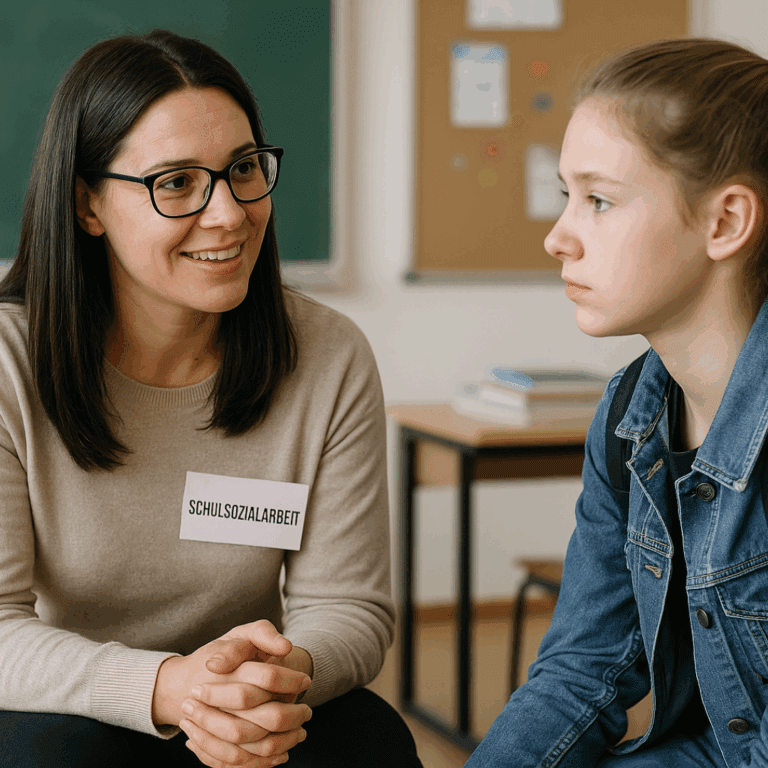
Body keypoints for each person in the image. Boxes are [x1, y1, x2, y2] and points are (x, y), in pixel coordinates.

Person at [0, 29, 422, 768]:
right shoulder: (9, 361)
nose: (228, 214)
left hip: (247, 703)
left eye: (243, 169)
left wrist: (269, 677)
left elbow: (348, 609)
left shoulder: (327, 356)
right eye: (177, 183)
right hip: (76, 705)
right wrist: (170, 687)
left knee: (374, 741)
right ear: (87, 205)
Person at [465, 37, 768, 768]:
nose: (557, 237)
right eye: (567, 195)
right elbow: (581, 674)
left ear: (724, 222)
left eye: (598, 200)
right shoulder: (630, 415)